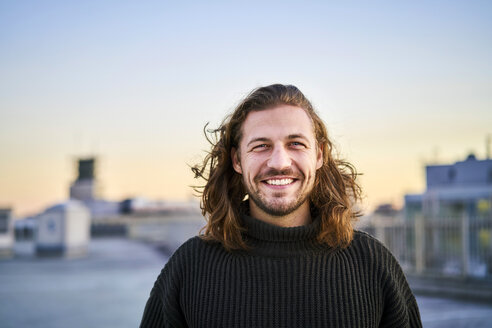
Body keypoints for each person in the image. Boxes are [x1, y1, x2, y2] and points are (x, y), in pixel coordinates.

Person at [140, 84, 422, 327]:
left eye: (296, 144)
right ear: (237, 160)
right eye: (261, 146)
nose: (279, 162)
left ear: (319, 155)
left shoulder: (372, 264)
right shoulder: (190, 267)